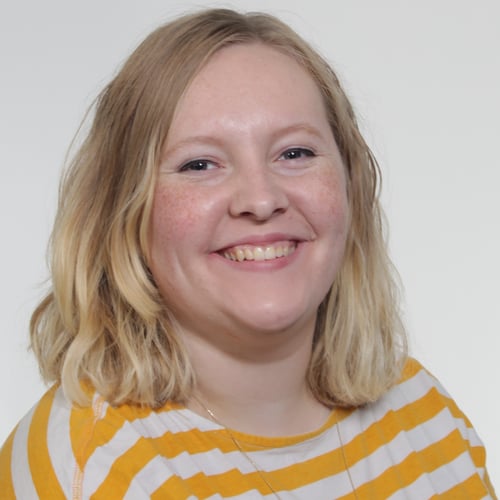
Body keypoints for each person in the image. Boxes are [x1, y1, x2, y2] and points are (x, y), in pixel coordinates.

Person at [0, 8, 495, 499]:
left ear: (350, 182)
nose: (260, 200)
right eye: (200, 164)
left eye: (295, 153)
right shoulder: (85, 467)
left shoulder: (423, 410)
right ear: (122, 210)